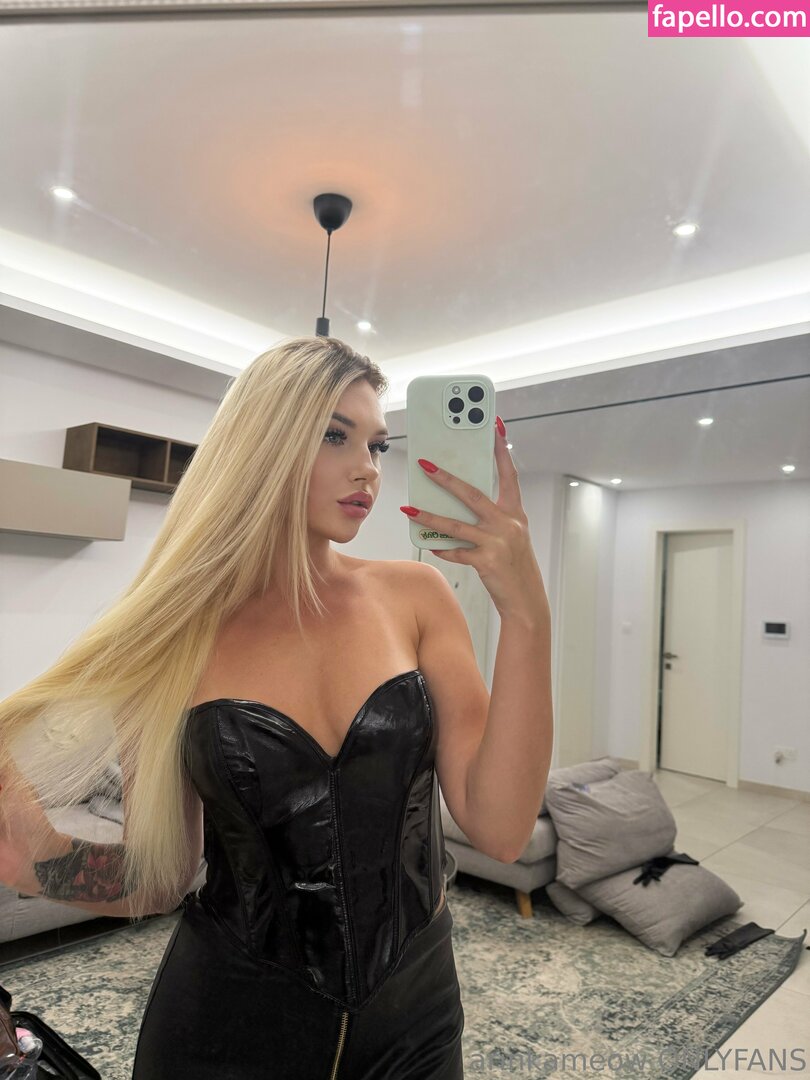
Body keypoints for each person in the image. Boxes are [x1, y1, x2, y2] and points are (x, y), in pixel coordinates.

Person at [0, 336, 553, 1078]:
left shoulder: (416, 597)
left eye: (377, 444)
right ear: (262, 444)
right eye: (334, 435)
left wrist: (526, 615)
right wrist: (38, 858)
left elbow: (503, 829)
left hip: (416, 1018)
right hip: (228, 1025)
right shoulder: (177, 634)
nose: (368, 468)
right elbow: (162, 878)